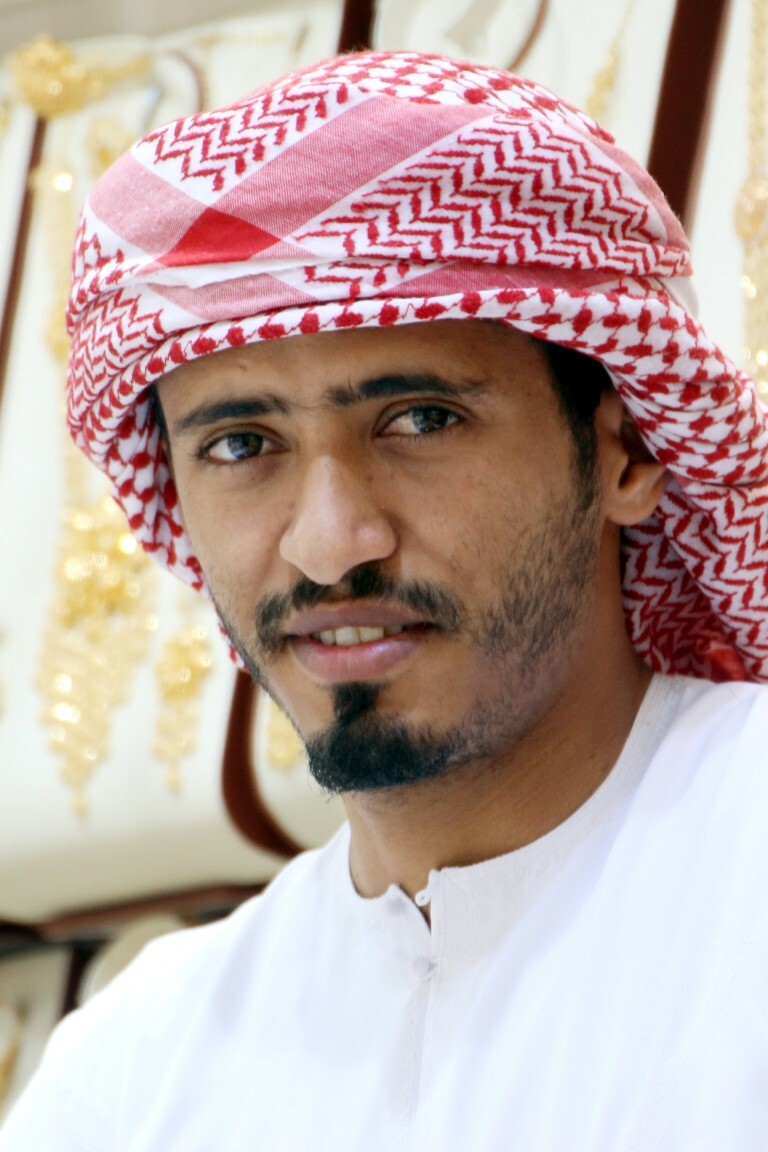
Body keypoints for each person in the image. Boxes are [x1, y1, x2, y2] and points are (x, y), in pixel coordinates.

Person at [4, 49, 768, 1150]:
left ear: (627, 449)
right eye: (241, 445)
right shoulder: (131, 1076)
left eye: (418, 420)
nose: (329, 545)